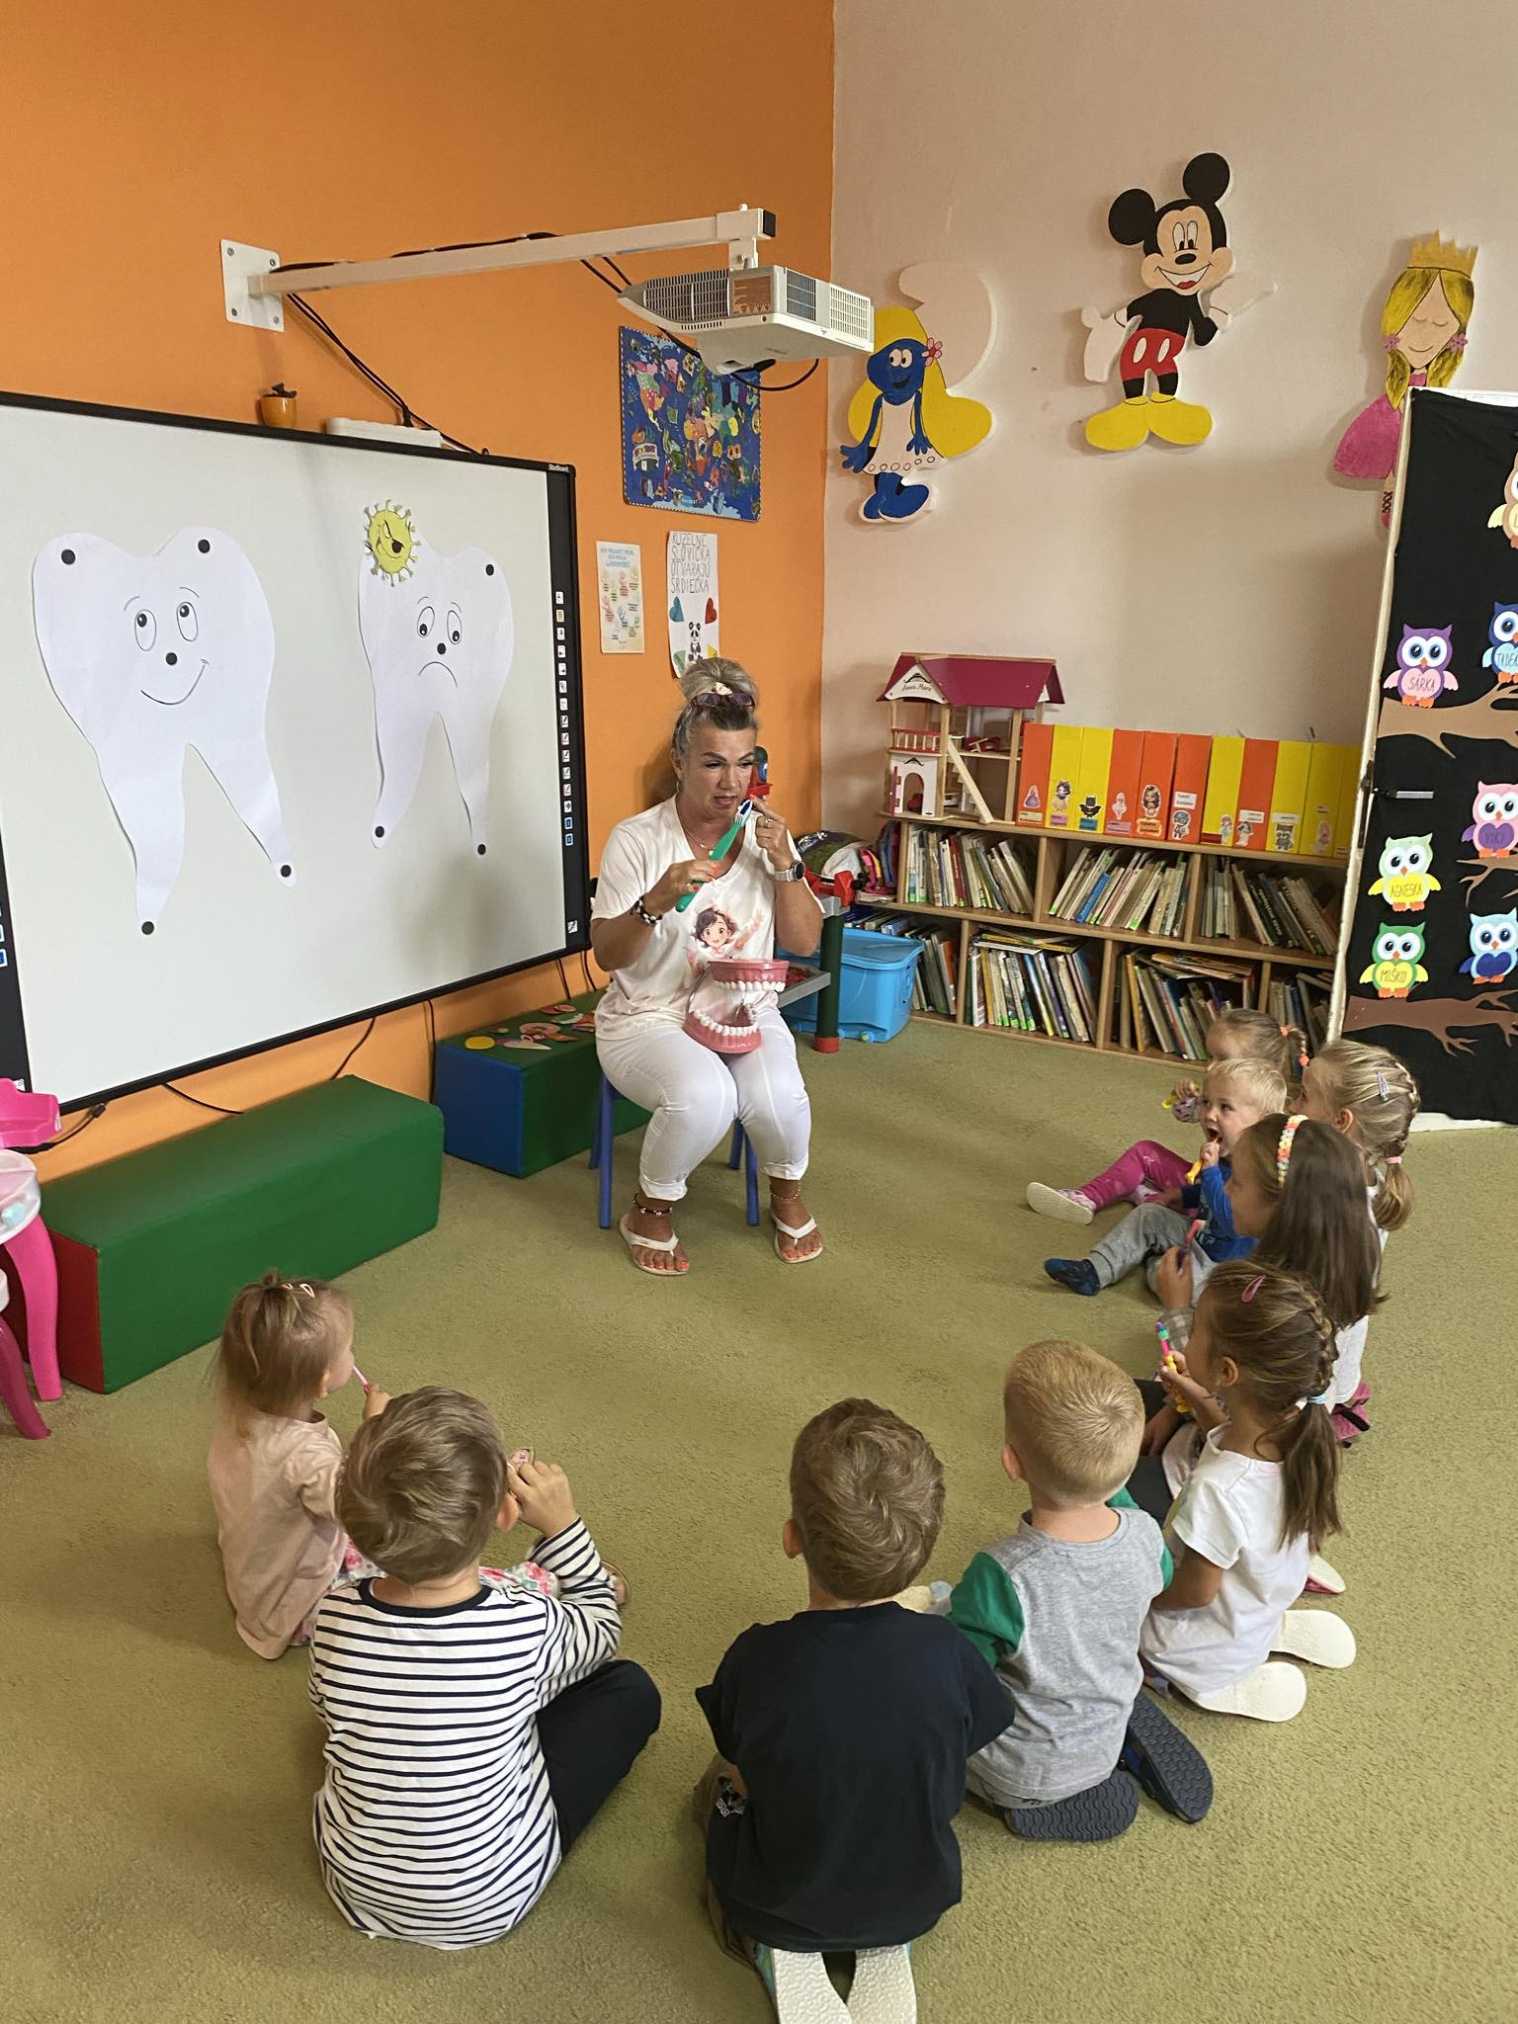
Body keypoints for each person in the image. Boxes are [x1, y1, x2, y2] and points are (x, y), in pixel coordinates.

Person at [694, 1399, 1012, 2022]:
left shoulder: (757, 1658)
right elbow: (970, 1734)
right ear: (921, 1551)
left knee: (715, 1789)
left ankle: (774, 1941)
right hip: (915, 1896)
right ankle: (883, 1933)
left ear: (792, 1539)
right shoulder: (949, 1652)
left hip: (777, 1896)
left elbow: (742, 1764)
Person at [309, 1387, 659, 1949]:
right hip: (488, 1898)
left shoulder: (332, 1611)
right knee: (630, 1689)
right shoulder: (527, 1622)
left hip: (356, 1883)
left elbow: (324, 1708)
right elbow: (601, 1627)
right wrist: (565, 1526)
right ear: (504, 1512)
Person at [591, 659, 825, 1275]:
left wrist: (787, 867)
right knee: (706, 1096)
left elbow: (804, 941)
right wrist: (654, 902)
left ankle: (786, 1194)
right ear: (679, 763)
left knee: (779, 1097)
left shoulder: (766, 837)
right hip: (648, 1016)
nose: (732, 782)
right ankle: (649, 1210)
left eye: (745, 764)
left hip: (742, 1008)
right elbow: (608, 955)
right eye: (713, 763)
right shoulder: (638, 839)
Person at [947, 1340, 1211, 1842]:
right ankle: (1101, 1742)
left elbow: (956, 1676)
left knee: (931, 1648)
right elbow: (1160, 1578)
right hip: (1103, 1737)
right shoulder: (1145, 1535)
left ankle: (1026, 1800)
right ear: (1127, 1468)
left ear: (1011, 1462)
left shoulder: (1002, 1574)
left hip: (1014, 1773)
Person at [1137, 1258, 1357, 1723]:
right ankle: (1259, 1630)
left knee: (1112, 1611)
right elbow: (1224, 1438)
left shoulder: (1218, 1490)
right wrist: (1196, 1392)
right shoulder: (1297, 1434)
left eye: (1196, 1329)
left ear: (1227, 1372)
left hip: (1195, 1648)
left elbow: (1196, 1591)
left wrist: (1140, 1597)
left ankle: (1202, 1679)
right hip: (1257, 1596)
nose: (1188, 1337)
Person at [1137, 1116, 1382, 1511]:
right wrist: (1173, 1409)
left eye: (1236, 1181)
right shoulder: (1315, 1275)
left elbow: (1208, 1373)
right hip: (1211, 1424)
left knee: (1080, 1494)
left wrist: (1178, 1307)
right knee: (1098, 1409)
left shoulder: (1271, 1308)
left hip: (1215, 1476)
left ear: (1279, 1205)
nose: (1224, 1190)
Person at [207, 1273, 389, 1658]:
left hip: (255, 1578)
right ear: (323, 1381)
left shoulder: (239, 1419)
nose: (353, 1356)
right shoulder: (305, 1457)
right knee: (408, 1562)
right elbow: (360, 1505)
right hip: (293, 1606)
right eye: (348, 1350)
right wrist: (374, 1430)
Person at [1026, 1007, 1304, 1226]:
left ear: (1259, 1069)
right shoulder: (1220, 1094)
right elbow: (1187, 1115)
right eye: (1210, 1056)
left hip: (1226, 1208)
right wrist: (1189, 1101)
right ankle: (1088, 1197)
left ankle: (1153, 1199)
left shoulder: (1274, 1125)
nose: (1210, 1067)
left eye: (1223, 1059)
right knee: (1144, 1152)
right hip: (1198, 1187)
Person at [1043, 1056, 1286, 1299]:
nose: (1209, 1114)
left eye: (1225, 1107)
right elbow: (1205, 1192)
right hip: (1200, 1235)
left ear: (1262, 1121)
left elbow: (1232, 1223)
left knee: (1168, 1279)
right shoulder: (1223, 1154)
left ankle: (1152, 1259)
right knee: (1148, 1215)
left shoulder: (1259, 1171)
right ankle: (1095, 1270)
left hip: (1222, 1266)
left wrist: (1211, 1172)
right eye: (1206, 1102)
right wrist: (1179, 1195)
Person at [1294, 1039, 1418, 1439]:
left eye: (1304, 1096)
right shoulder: (1371, 1179)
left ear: (1340, 1121)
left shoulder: (1336, 1206)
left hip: (1315, 1337)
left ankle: (1327, 1414)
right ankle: (1344, 1395)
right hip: (1338, 1326)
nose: (1293, 1106)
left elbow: (1317, 1305)